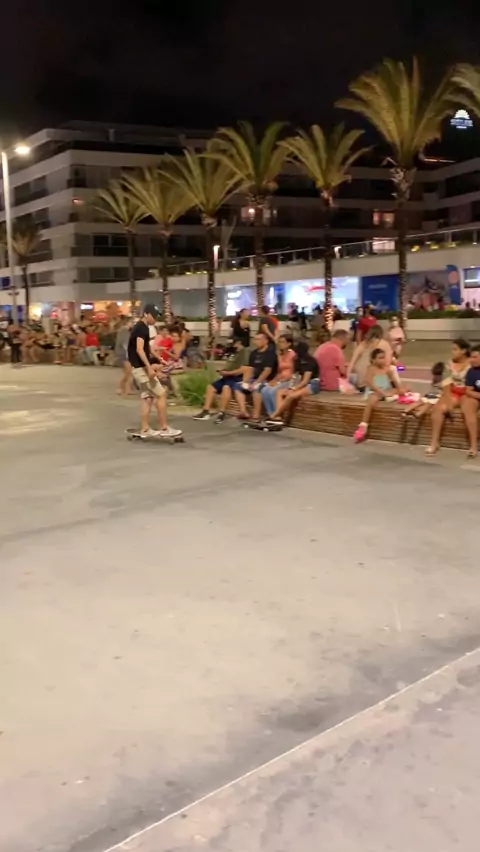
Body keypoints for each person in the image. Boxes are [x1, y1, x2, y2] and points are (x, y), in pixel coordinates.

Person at [127, 304, 181, 437]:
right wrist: (149, 367)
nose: (155, 319)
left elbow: (147, 348)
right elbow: (140, 350)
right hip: (141, 369)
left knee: (148, 397)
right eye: (154, 316)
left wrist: (159, 358)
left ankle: (145, 429)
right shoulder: (141, 328)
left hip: (139, 368)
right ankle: (164, 428)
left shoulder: (143, 327)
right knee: (161, 394)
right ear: (146, 314)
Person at [425, 338, 471, 456]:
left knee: (445, 407)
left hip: (466, 393)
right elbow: (446, 384)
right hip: (452, 391)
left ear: (463, 351)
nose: (452, 352)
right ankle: (434, 442)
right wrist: (448, 401)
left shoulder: (471, 363)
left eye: (455, 349)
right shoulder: (449, 364)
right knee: (438, 409)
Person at [353, 348, 406, 443]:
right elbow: (369, 382)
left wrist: (400, 389)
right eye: (380, 358)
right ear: (373, 360)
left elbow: (395, 380)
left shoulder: (387, 369)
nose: (383, 360)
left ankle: (392, 397)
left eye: (384, 357)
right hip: (374, 391)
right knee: (372, 400)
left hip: (386, 390)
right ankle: (363, 425)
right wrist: (382, 393)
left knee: (405, 388)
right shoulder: (371, 368)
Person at [193, 338, 250, 423]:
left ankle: (222, 413)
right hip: (227, 376)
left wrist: (229, 373)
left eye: (232, 343)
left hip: (236, 377)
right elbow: (230, 365)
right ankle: (205, 411)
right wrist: (223, 371)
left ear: (238, 342)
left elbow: (243, 369)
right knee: (210, 387)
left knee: (226, 388)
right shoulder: (233, 352)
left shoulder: (244, 352)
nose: (231, 345)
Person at [266, 340, 320, 424]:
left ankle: (274, 416)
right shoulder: (297, 360)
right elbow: (296, 376)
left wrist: (293, 389)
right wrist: (291, 386)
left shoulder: (310, 361)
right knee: (279, 392)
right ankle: (278, 417)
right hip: (299, 383)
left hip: (312, 384)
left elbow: (305, 381)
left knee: (290, 396)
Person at [234, 331, 277, 420]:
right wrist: (247, 381)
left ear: (266, 341)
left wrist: (256, 382)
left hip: (266, 380)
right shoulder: (254, 353)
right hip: (253, 378)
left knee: (257, 388)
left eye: (259, 339)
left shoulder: (270, 354)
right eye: (255, 339)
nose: (256, 342)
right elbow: (250, 369)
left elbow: (267, 371)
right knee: (237, 386)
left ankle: (256, 415)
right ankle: (243, 411)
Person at [257, 333, 296, 420]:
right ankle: (271, 414)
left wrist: (279, 382)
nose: (280, 344)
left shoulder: (293, 355)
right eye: (279, 342)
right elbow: (279, 372)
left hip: (290, 380)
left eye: (282, 342)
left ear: (289, 344)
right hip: (280, 379)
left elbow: (293, 373)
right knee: (264, 390)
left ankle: (278, 415)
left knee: (272, 391)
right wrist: (274, 380)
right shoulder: (279, 355)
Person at [348, 325, 396, 391]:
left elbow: (352, 362)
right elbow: (387, 363)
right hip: (376, 384)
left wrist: (347, 378)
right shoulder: (384, 344)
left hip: (361, 384)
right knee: (392, 369)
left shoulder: (363, 344)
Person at [463, 345, 480, 458]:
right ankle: (473, 445)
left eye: (475, 357)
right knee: (468, 406)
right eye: (471, 357)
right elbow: (468, 391)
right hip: (477, 397)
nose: (471, 360)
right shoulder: (471, 371)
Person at [115, 317, 133, 395]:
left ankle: (127, 389)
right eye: (131, 322)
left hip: (123, 353)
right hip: (124, 353)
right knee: (128, 372)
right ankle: (120, 387)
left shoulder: (125, 331)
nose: (132, 323)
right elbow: (125, 344)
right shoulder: (124, 331)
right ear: (127, 322)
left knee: (128, 372)